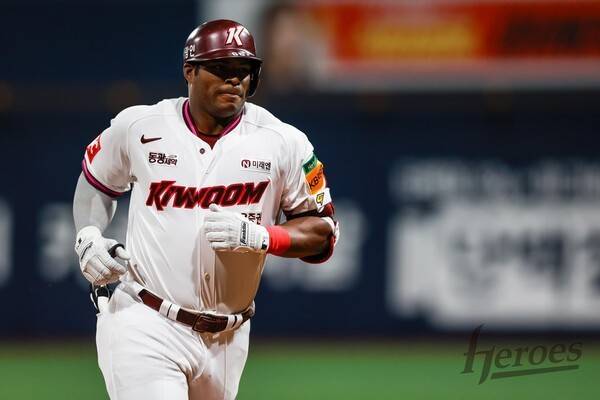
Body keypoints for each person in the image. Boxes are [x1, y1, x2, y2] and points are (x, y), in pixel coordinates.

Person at [72, 19, 339, 400]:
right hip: (147, 319)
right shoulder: (140, 126)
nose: (235, 79)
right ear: (190, 71)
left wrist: (263, 236)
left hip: (229, 338)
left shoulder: (283, 141)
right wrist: (88, 236)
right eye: (222, 67)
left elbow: (323, 233)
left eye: (244, 69)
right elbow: (96, 181)